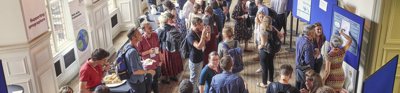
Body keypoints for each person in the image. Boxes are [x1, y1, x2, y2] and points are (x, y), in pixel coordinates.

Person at [125, 27, 156, 93]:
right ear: (133, 38)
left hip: (135, 80)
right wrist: (149, 71)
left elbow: (132, 63)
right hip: (136, 81)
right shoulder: (132, 52)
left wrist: (143, 62)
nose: (141, 34)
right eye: (139, 34)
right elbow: (135, 71)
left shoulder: (128, 46)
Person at [157, 12, 184, 84]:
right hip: (174, 48)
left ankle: (167, 78)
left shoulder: (160, 30)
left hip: (165, 49)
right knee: (173, 62)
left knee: (167, 63)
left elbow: (159, 41)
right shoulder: (172, 27)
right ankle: (174, 75)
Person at [137, 21, 162, 93]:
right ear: (144, 30)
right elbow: (139, 54)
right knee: (148, 84)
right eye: (149, 27)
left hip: (157, 62)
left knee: (156, 81)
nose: (151, 28)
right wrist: (148, 52)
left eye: (150, 27)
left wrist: (160, 59)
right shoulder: (141, 39)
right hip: (148, 65)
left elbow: (158, 47)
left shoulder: (155, 35)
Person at [188, 17, 211, 93]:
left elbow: (207, 39)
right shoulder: (190, 35)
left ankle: (196, 90)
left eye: (202, 25)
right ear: (195, 25)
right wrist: (203, 35)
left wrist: (208, 32)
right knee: (193, 79)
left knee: (197, 77)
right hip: (195, 60)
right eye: (200, 25)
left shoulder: (200, 31)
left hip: (200, 58)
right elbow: (198, 47)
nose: (202, 27)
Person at [257, 16, 281, 88]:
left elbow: (263, 44)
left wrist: (258, 46)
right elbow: (280, 35)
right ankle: (271, 81)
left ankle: (264, 84)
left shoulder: (263, 31)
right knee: (271, 65)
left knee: (264, 68)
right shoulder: (272, 28)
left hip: (264, 52)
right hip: (272, 51)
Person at [295, 25, 317, 90]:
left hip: (298, 66)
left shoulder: (299, 38)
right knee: (303, 88)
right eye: (314, 31)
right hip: (305, 70)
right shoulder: (308, 44)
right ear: (310, 33)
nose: (315, 33)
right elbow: (308, 61)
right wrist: (315, 55)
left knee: (297, 85)